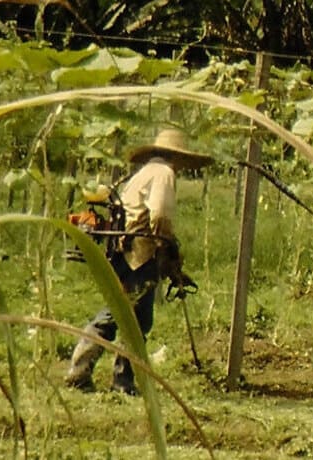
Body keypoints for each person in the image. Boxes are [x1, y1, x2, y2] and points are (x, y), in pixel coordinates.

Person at [65, 128, 212, 395]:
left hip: (125, 249)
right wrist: (167, 247)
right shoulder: (164, 174)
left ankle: (122, 379)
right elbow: (159, 216)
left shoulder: (143, 172)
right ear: (176, 157)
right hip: (139, 253)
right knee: (119, 316)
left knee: (137, 319)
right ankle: (83, 374)